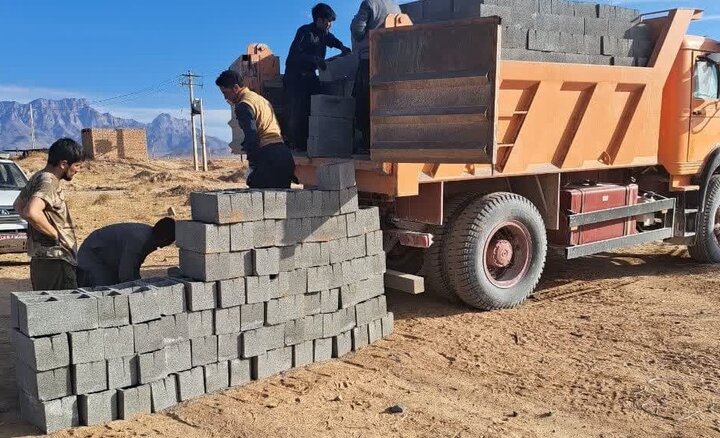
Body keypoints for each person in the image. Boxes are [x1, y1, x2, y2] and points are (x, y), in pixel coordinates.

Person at [13, 138, 85, 290]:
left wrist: (39, 231)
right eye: (77, 165)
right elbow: (31, 212)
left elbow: (18, 205)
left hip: (43, 259)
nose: (78, 169)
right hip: (56, 260)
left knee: (47, 309)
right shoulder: (48, 181)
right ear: (63, 164)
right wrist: (54, 235)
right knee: (63, 308)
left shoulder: (39, 176)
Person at [285, 3, 351, 151]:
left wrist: (342, 47)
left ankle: (313, 141)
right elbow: (296, 56)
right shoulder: (304, 32)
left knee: (315, 106)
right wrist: (314, 59)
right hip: (295, 77)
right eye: (328, 21)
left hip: (310, 76)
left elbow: (332, 40)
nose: (330, 25)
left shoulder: (324, 33)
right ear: (319, 20)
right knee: (298, 110)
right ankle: (296, 144)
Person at [216, 69, 296, 189]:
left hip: (268, 158)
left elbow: (252, 137)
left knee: (261, 204)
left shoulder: (243, 105)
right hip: (284, 155)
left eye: (225, 93)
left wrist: (253, 166)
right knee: (281, 203)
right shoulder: (260, 99)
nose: (225, 97)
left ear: (236, 88)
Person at [351, 0, 401, 153]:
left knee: (365, 102)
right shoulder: (396, 7)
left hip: (370, 60)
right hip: (392, 63)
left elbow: (357, 30)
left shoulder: (370, 3)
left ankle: (367, 145)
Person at [77, 218, 176, 287]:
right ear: (164, 238)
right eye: (168, 242)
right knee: (106, 292)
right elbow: (126, 275)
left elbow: (134, 267)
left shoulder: (150, 237)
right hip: (92, 254)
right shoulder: (139, 240)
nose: (163, 246)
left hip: (106, 256)